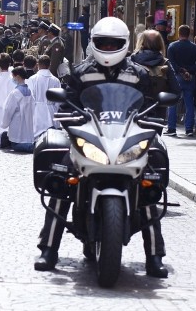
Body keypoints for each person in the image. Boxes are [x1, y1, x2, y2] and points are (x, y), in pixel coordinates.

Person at [34, 17, 170, 279]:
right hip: (91, 136)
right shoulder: (81, 72)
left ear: (124, 44)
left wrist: (153, 118)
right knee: (62, 182)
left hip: (124, 138)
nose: (108, 49)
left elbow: (150, 104)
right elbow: (67, 103)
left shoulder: (138, 73)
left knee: (150, 185)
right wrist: (70, 118)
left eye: (113, 44)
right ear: (95, 43)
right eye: (103, 44)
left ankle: (155, 255)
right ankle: (48, 249)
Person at [131, 30, 181, 124]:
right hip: (157, 114)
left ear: (141, 42)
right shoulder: (165, 63)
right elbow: (176, 90)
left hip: (132, 112)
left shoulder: (131, 61)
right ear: (160, 44)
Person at [166, 25, 196, 136]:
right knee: (189, 103)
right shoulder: (195, 48)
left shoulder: (172, 47)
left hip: (176, 77)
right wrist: (190, 71)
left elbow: (171, 63)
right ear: (189, 34)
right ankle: (189, 129)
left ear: (179, 33)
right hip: (189, 78)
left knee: (173, 103)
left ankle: (172, 128)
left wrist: (181, 70)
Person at [0, 66, 36, 152]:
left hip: (17, 127)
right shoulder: (30, 92)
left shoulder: (15, 93)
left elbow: (8, 110)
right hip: (29, 129)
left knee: (15, 144)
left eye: (13, 76)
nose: (12, 79)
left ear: (18, 76)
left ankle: (33, 147)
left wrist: (4, 124)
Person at [27, 55, 60, 139]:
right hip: (51, 109)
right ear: (49, 65)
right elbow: (58, 99)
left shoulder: (32, 79)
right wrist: (55, 109)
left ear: (38, 64)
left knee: (36, 136)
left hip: (36, 110)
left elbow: (29, 97)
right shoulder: (56, 80)